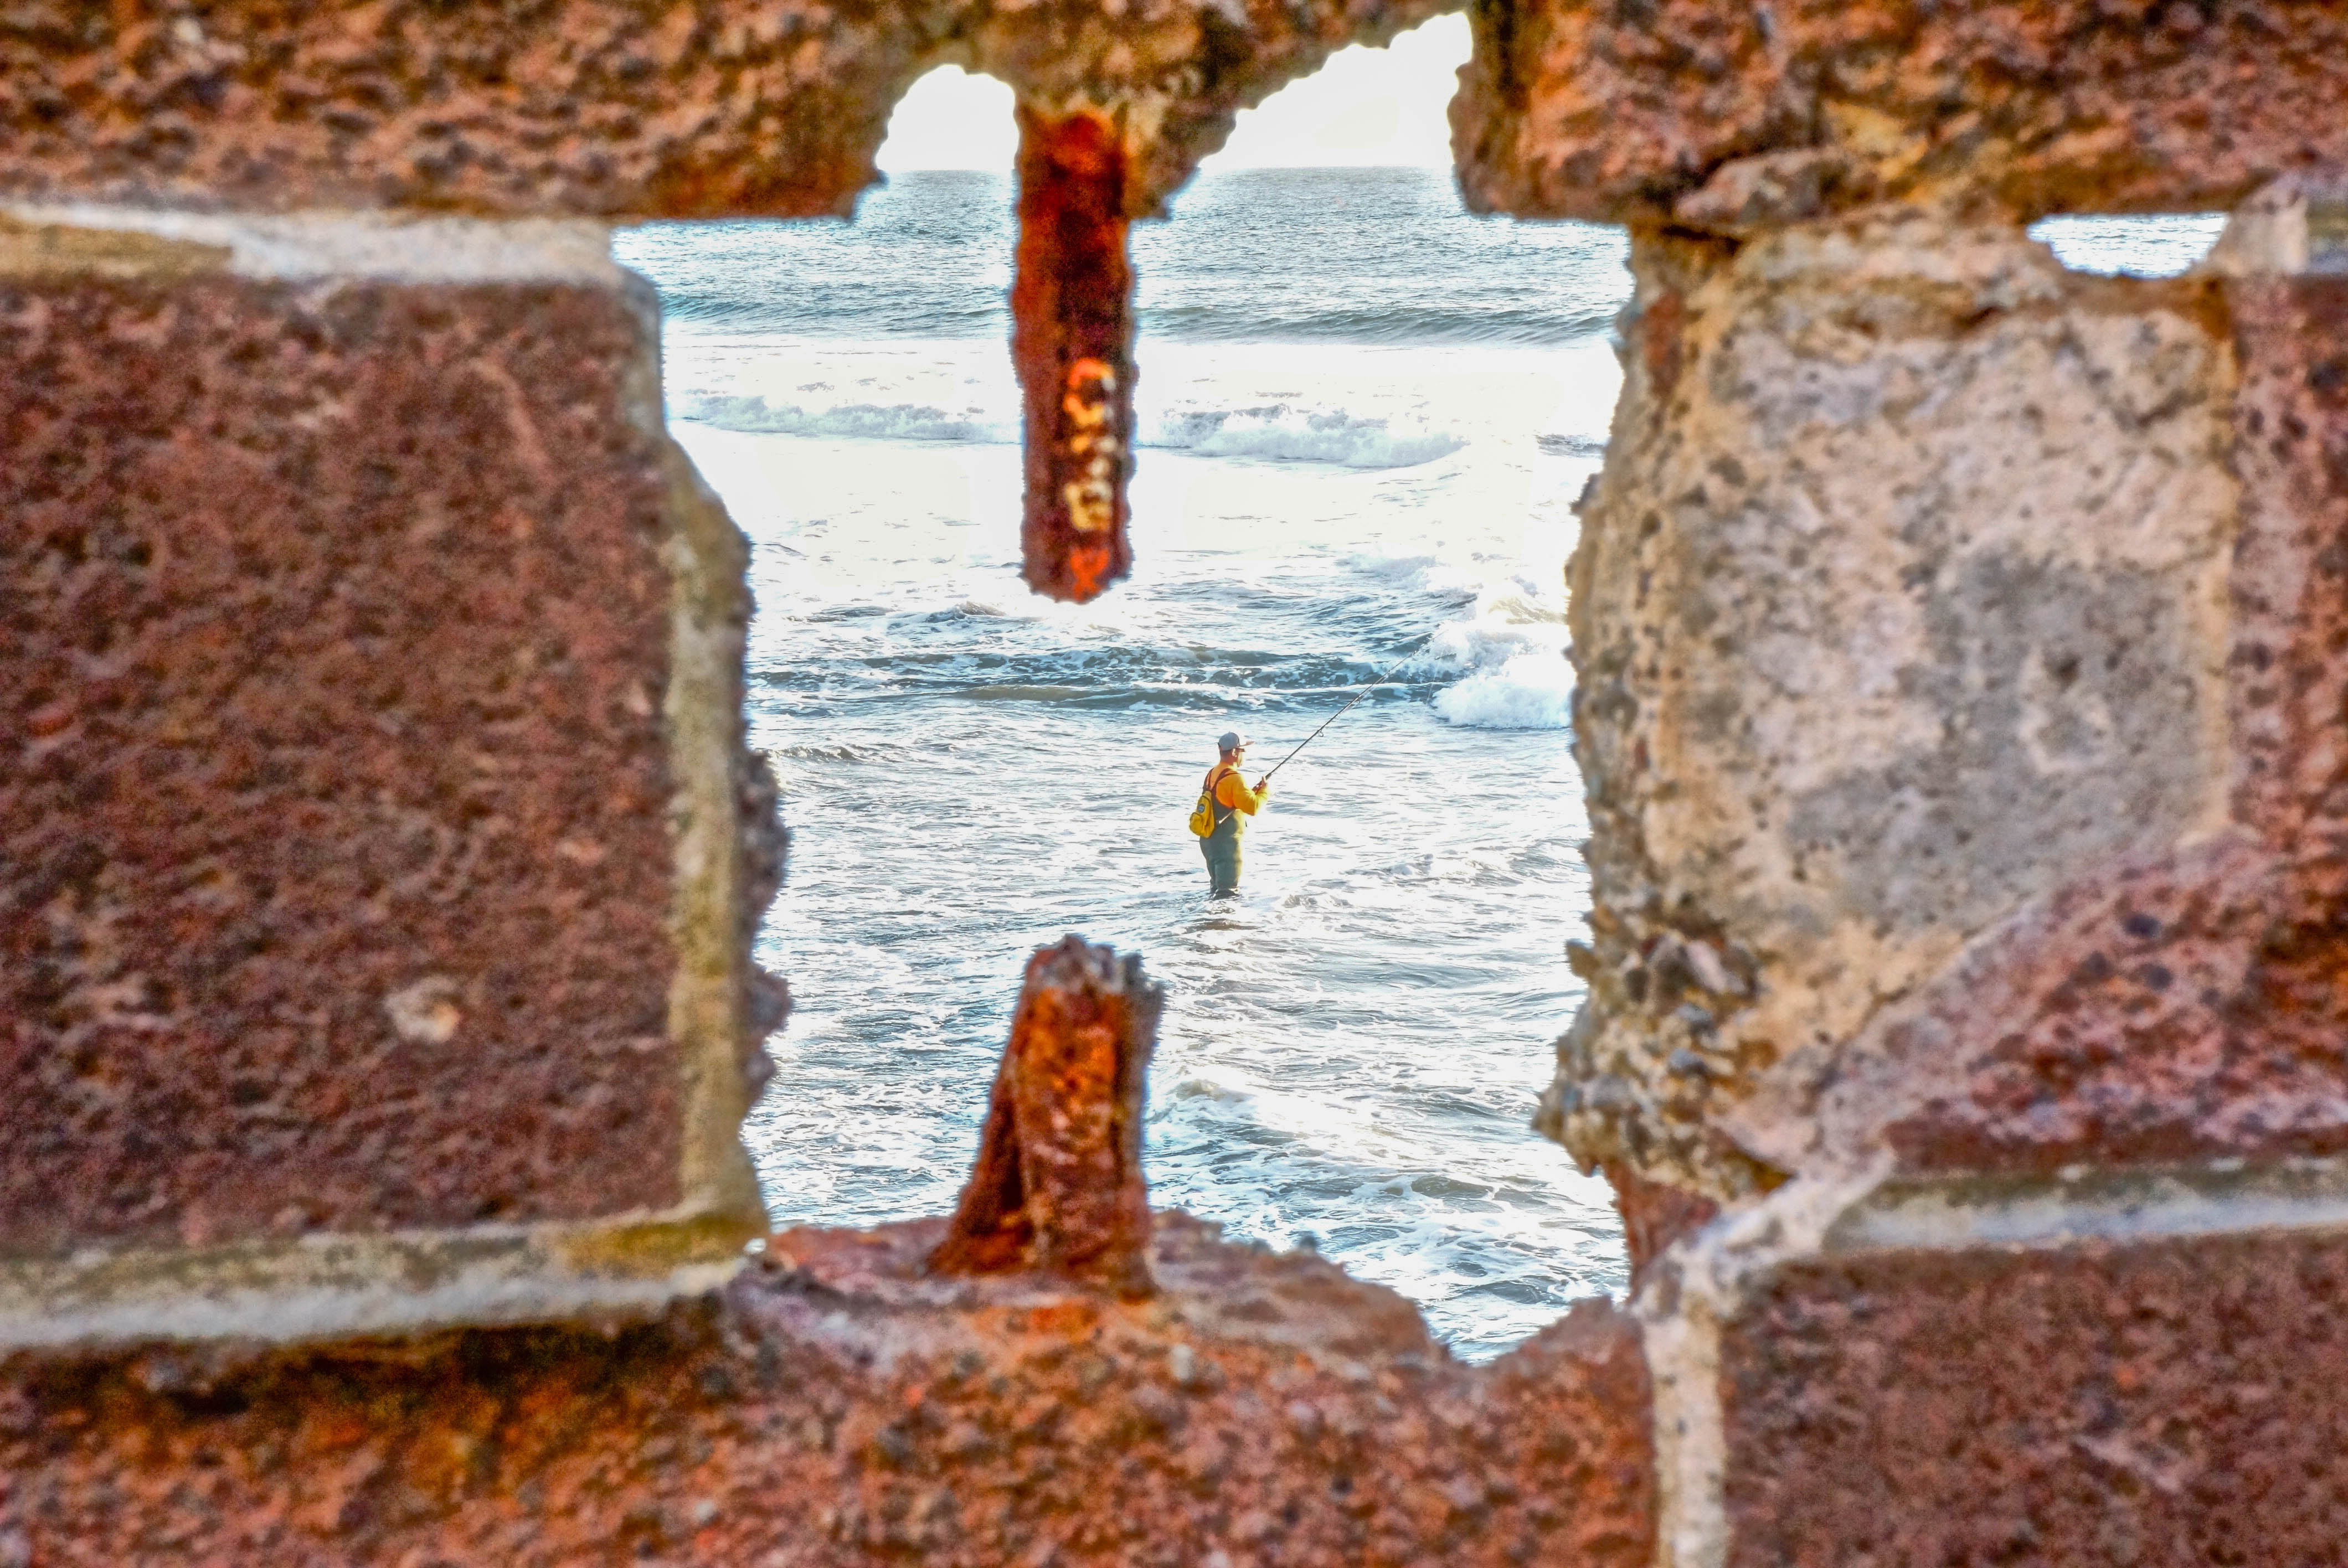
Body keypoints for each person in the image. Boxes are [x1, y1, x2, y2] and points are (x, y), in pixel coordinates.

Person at [1199, 730, 1271, 897]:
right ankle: (1221, 922)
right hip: (1227, 845)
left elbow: (1226, 800)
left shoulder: (1212, 773)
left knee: (1217, 889)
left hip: (1209, 842)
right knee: (1228, 894)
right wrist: (1265, 792)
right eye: (1243, 751)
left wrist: (1250, 792)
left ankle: (1209, 920)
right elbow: (1252, 807)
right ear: (1233, 752)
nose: (1244, 755)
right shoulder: (1235, 778)